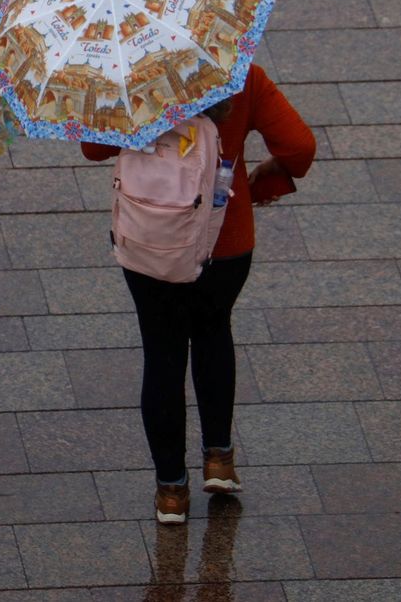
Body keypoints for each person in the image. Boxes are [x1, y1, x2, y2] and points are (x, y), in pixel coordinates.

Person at [81, 64, 315, 523]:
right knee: (213, 331)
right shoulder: (241, 73)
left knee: (163, 352)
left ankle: (171, 491)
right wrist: (265, 180)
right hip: (225, 241)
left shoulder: (134, 74)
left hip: (152, 239)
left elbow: (94, 147)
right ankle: (219, 459)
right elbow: (300, 148)